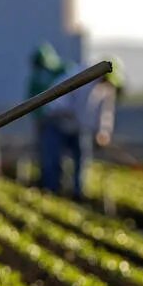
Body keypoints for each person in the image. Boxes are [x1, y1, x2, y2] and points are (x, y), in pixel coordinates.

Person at [29, 44, 118, 198]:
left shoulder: (107, 88)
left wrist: (103, 132)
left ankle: (78, 194)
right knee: (53, 159)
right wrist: (67, 113)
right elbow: (59, 100)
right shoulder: (80, 76)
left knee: (81, 159)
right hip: (58, 121)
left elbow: (105, 113)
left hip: (79, 127)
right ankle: (52, 192)